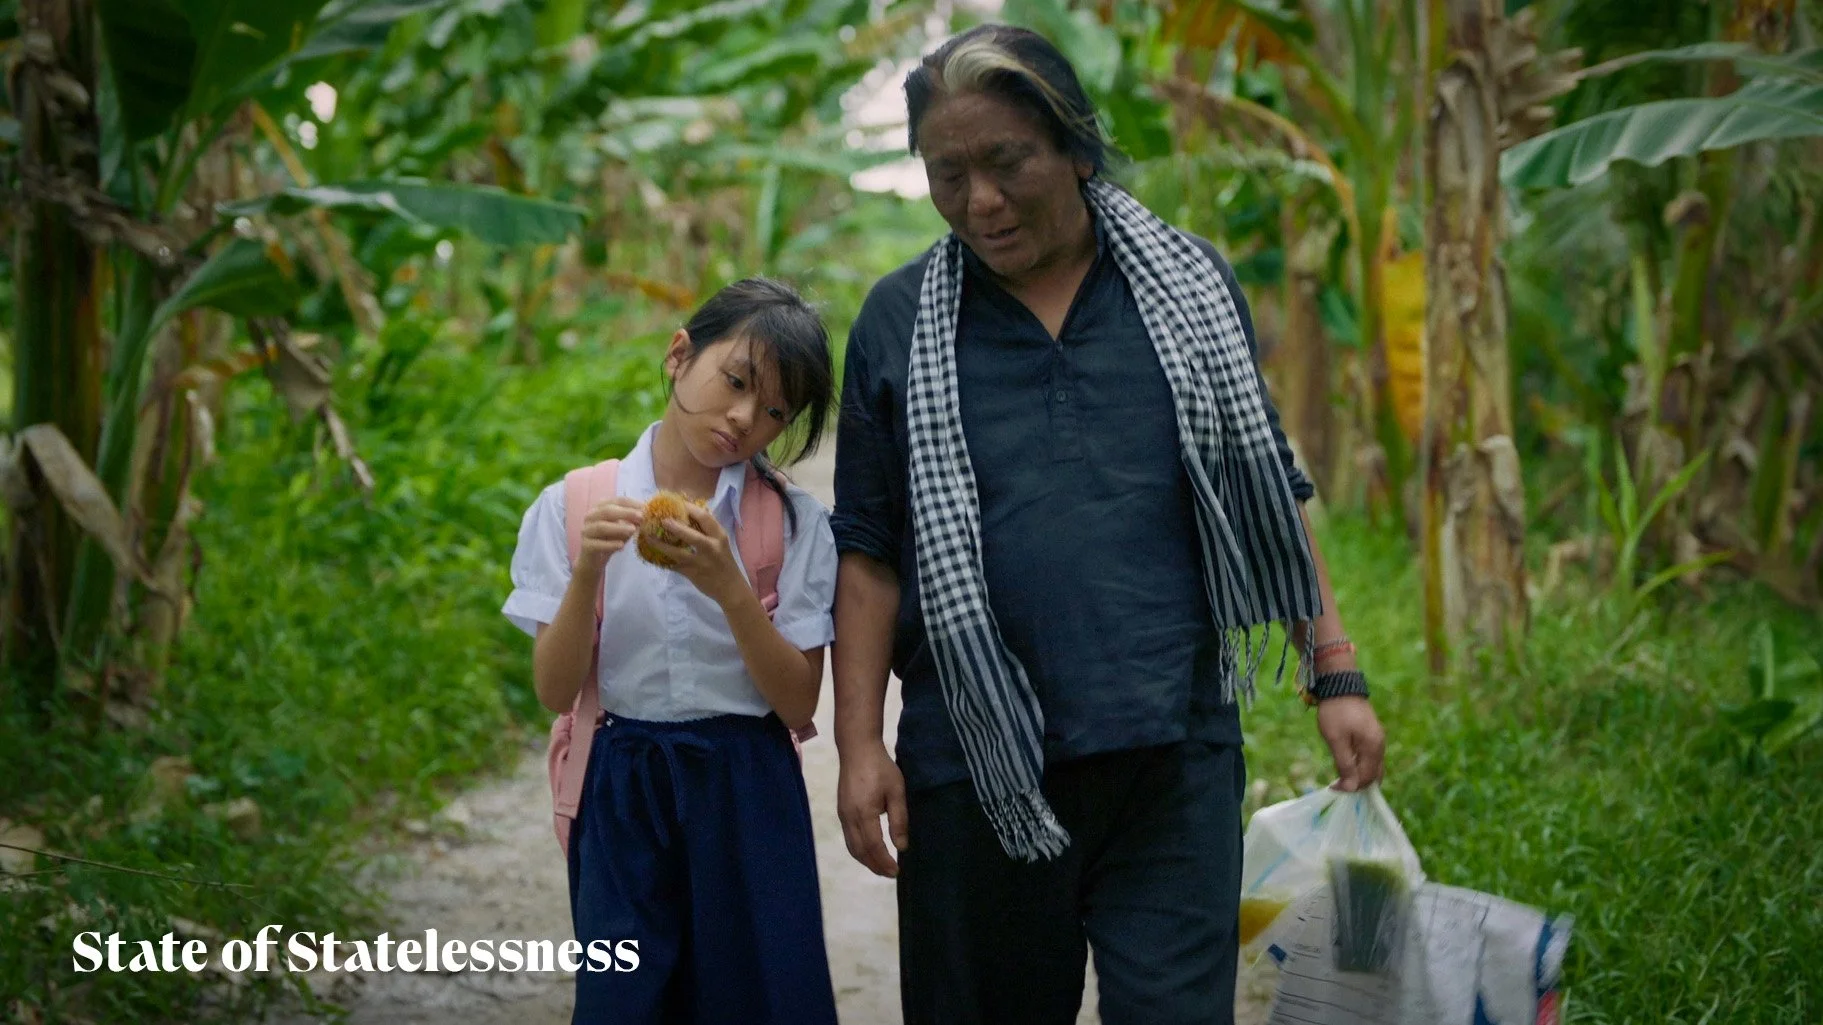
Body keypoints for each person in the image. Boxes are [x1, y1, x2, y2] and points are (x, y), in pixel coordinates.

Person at [829, 24, 1388, 1025]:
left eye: (1006, 164)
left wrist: (1331, 668)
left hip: (1169, 756)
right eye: (947, 174)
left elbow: (1264, 488)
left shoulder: (1188, 289)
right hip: (973, 771)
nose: (981, 202)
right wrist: (859, 745)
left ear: (1075, 147)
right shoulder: (896, 319)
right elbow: (869, 554)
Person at [503, 278, 840, 1024]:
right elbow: (557, 691)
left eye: (777, 410)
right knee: (626, 997)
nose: (746, 418)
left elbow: (795, 700)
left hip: (746, 783)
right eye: (737, 381)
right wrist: (588, 568)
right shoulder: (572, 507)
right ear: (679, 354)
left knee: (758, 994)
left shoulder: (792, 523)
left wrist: (730, 587)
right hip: (621, 783)